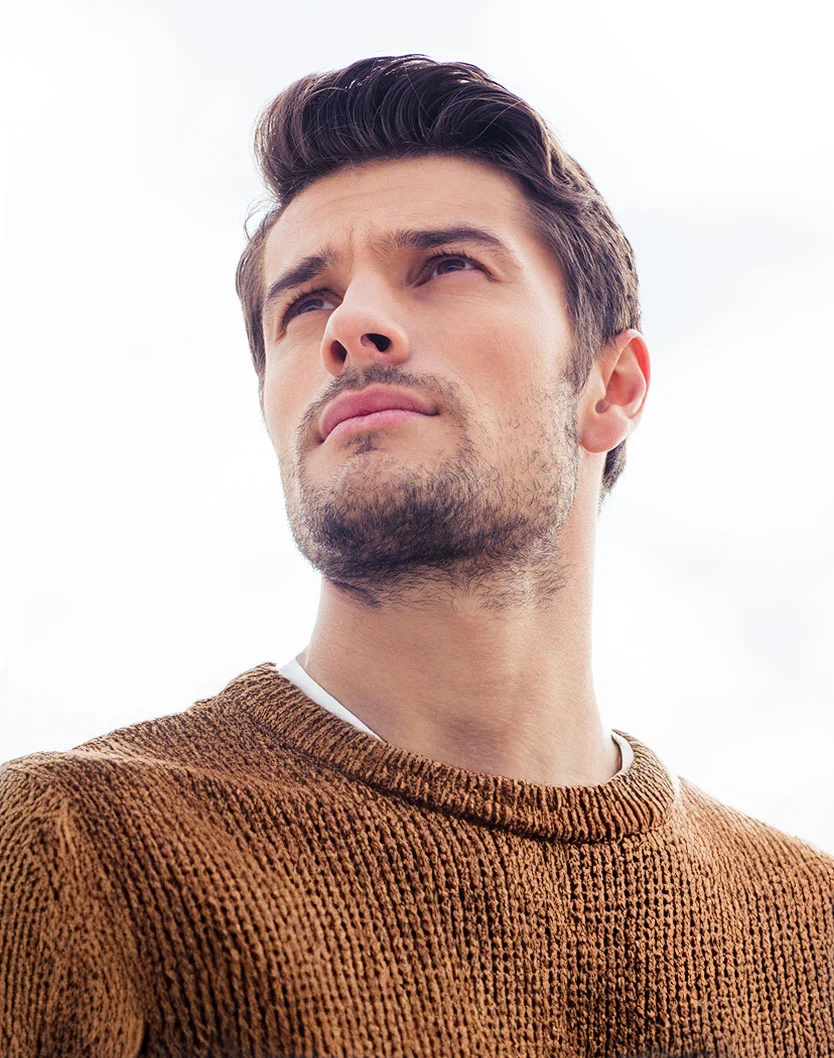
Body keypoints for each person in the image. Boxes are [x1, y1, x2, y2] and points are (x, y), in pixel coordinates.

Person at [1, 54, 831, 1058]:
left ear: (610, 386)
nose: (350, 324)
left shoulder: (810, 928)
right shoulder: (68, 848)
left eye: (443, 265)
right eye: (302, 303)